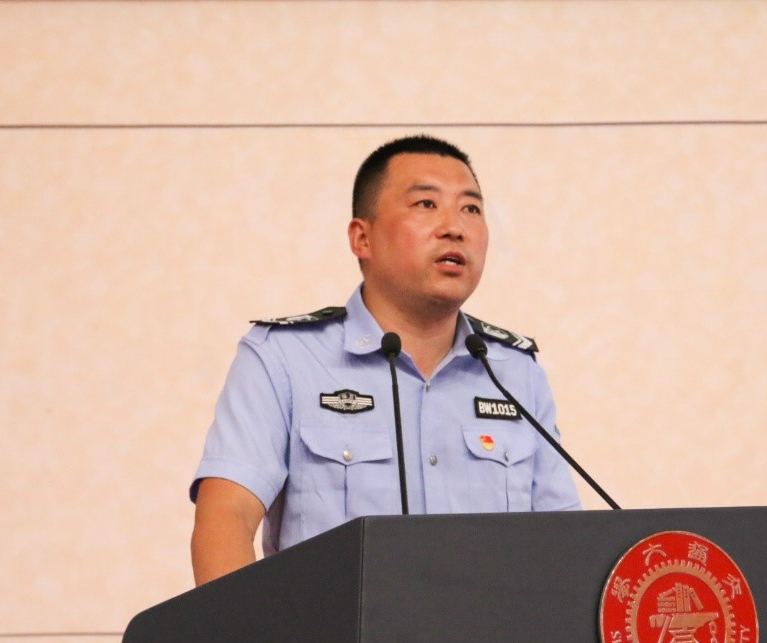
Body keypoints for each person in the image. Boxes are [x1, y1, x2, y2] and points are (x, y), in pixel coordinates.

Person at [189, 135, 580, 586]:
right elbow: (227, 516)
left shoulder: (513, 371)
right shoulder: (285, 358)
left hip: (492, 633)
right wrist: (244, 632)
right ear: (363, 238)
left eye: (471, 208)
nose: (455, 227)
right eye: (426, 204)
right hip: (335, 632)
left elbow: (565, 547)